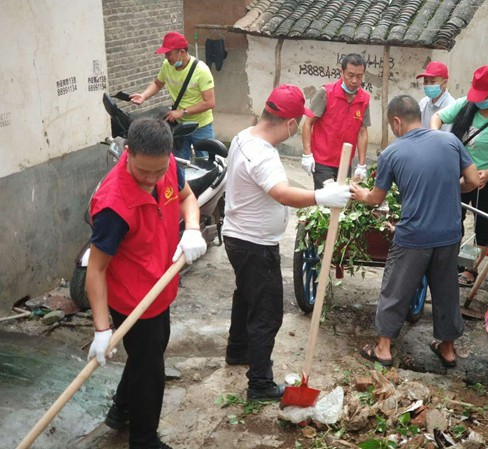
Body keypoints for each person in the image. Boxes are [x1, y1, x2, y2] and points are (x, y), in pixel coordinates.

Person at [222, 84, 351, 401]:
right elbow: (281, 193)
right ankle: (260, 384)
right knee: (267, 313)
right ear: (291, 123)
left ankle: (238, 350)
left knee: (246, 296)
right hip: (254, 243)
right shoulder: (263, 154)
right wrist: (322, 196)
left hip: (236, 236)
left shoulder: (243, 137)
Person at [86, 118, 207, 449]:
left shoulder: (167, 167)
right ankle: (144, 440)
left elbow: (186, 198)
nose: (152, 179)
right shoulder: (113, 205)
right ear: (128, 153)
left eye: (159, 170)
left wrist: (192, 228)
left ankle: (121, 409)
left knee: (148, 353)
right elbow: (95, 269)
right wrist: (101, 328)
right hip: (133, 300)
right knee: (150, 370)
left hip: (161, 286)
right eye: (143, 172)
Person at [350, 95, 479, 369]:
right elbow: (472, 180)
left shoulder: (391, 153)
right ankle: (447, 349)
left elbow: (376, 198)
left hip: (413, 236)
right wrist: (450, 186)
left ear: (396, 121)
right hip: (449, 234)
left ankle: (383, 348)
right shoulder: (450, 141)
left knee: (395, 289)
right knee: (446, 291)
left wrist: (361, 194)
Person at [431, 65, 488, 287]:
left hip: (486, 181)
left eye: (484, 96)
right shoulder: (466, 104)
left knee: (482, 223)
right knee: (454, 219)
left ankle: (472, 268)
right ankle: (452, 260)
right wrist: (435, 136)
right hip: (457, 176)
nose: (479, 100)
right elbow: (438, 117)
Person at [131, 31, 216, 161]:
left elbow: (210, 102)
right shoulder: (167, 66)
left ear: (181, 52)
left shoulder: (201, 71)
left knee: (205, 163)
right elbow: (158, 83)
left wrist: (182, 112)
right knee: (179, 163)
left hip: (201, 126)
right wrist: (143, 96)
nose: (166, 57)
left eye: (168, 53)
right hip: (179, 125)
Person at [301, 53, 371, 189]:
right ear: (342, 72)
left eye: (359, 76)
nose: (355, 81)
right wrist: (307, 153)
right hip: (322, 160)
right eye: (350, 75)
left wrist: (362, 164)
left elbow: (362, 132)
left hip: (345, 162)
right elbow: (308, 123)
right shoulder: (326, 93)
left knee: (341, 198)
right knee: (327, 197)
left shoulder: (364, 100)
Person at [416, 61, 455, 131]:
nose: (428, 85)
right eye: (426, 81)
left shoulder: (451, 106)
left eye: (433, 82)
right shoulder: (423, 103)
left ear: (444, 83)